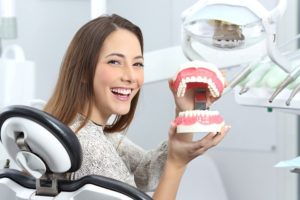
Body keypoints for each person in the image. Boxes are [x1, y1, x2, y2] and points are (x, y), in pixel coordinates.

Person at [44, 14, 230, 200]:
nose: (131, 76)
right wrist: (176, 165)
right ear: (83, 71)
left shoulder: (90, 131)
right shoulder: (88, 145)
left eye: (138, 64)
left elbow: (146, 172)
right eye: (114, 61)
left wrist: (185, 114)